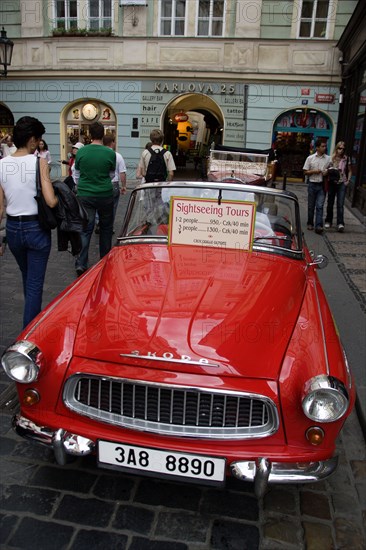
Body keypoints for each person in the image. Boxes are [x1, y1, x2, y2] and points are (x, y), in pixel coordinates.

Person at [0, 116, 58, 328]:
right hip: (36, 229)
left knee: (28, 277)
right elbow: (51, 201)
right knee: (34, 285)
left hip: (14, 229)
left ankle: (32, 316)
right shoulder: (39, 162)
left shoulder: (1, 165)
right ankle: (29, 334)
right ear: (33, 140)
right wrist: (60, 194)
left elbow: (0, 208)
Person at [73, 121, 116, 276]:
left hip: (85, 194)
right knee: (105, 229)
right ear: (103, 134)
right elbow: (111, 175)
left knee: (85, 229)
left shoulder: (82, 152)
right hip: (104, 194)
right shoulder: (110, 153)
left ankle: (81, 263)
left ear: (90, 134)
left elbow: (76, 174)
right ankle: (104, 261)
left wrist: (82, 185)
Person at [94, 135, 127, 233]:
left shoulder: (97, 154)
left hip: (99, 183)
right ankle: (109, 226)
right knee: (112, 206)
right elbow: (122, 173)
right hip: (113, 184)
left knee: (98, 204)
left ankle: (98, 222)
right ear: (112, 142)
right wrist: (124, 186)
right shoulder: (117, 156)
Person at [303, 139, 332, 234]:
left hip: (321, 185)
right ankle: (310, 222)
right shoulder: (310, 158)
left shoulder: (328, 158)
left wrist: (327, 172)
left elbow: (331, 169)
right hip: (312, 183)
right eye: (322, 146)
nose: (325, 148)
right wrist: (314, 171)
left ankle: (318, 225)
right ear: (317, 147)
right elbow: (305, 172)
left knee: (320, 206)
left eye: (325, 146)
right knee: (311, 206)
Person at [324, 141, 352, 233]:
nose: (341, 150)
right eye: (340, 148)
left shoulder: (346, 158)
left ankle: (340, 223)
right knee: (330, 202)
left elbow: (350, 170)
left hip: (341, 183)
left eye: (343, 149)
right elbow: (325, 168)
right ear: (336, 148)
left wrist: (348, 180)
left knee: (340, 204)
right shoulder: (331, 158)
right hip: (332, 182)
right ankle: (328, 221)